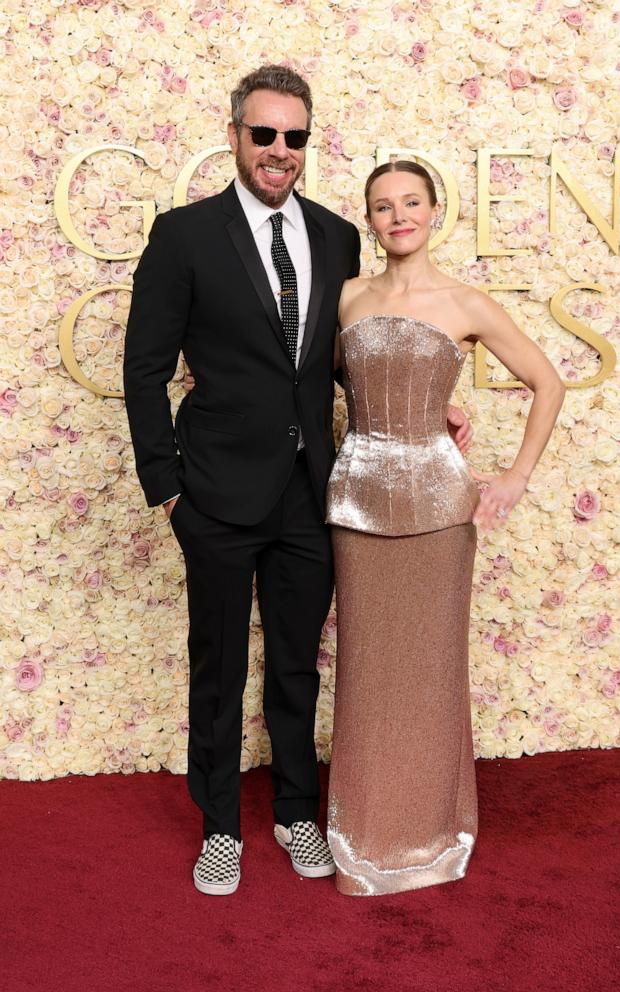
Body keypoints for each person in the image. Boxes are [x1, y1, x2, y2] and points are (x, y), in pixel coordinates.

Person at [123, 66, 472, 896]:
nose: (279, 150)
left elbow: (341, 362)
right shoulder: (184, 235)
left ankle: (293, 812)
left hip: (312, 489)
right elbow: (142, 371)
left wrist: (435, 415)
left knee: (294, 665)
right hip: (211, 491)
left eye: (295, 137)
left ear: (306, 144)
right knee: (218, 669)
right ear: (236, 134)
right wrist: (165, 487)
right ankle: (217, 829)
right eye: (264, 134)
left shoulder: (336, 235)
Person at [325, 160, 566, 896]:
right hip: (358, 503)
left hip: (437, 511)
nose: (396, 215)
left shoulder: (466, 302)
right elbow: (335, 376)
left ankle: (429, 834)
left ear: (434, 211)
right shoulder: (345, 298)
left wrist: (515, 475)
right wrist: (419, 396)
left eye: (409, 202)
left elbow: (546, 381)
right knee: (366, 670)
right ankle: (361, 831)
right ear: (368, 219)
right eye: (381, 206)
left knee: (429, 671)